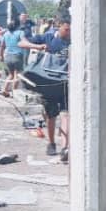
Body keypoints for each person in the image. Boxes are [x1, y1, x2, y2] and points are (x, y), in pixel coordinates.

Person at [23, 17, 71, 158]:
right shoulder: (49, 37)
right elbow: (23, 42)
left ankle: (65, 148)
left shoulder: (75, 41)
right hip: (48, 83)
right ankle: (51, 143)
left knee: (65, 115)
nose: (68, 33)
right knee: (51, 116)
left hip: (65, 83)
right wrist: (38, 47)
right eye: (66, 29)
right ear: (59, 26)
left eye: (70, 30)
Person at [0, 21, 25, 97]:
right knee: (16, 75)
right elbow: (24, 41)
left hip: (7, 56)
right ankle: (14, 93)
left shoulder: (5, 34)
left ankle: (5, 90)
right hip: (17, 56)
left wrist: (1, 55)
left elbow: (2, 46)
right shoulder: (20, 32)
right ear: (16, 26)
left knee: (10, 74)